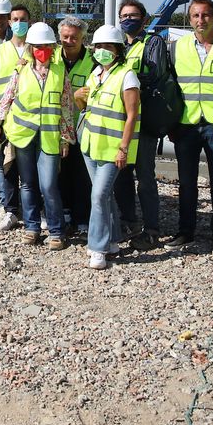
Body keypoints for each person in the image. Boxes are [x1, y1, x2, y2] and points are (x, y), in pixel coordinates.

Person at [0, 22, 76, 250]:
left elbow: (66, 106)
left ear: (53, 47)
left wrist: (66, 137)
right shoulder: (21, 70)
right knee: (27, 184)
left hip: (49, 137)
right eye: (38, 46)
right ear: (30, 47)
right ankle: (32, 227)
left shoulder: (59, 72)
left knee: (48, 185)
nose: (42, 50)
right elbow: (7, 98)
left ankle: (56, 231)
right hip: (23, 135)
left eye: (47, 46)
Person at [167, 0, 213, 254]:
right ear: (189, 18)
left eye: (205, 15)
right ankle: (186, 231)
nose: (200, 20)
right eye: (195, 15)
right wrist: (172, 123)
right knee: (186, 182)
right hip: (187, 124)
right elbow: (172, 85)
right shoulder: (178, 46)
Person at [75, 25, 139, 269]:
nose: (102, 50)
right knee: (104, 195)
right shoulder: (97, 74)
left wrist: (124, 148)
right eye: (99, 46)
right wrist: (78, 97)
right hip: (91, 144)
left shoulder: (127, 76)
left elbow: (131, 116)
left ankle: (98, 247)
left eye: (108, 47)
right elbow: (86, 106)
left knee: (99, 195)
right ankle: (112, 240)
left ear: (118, 50)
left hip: (113, 149)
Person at [113, 0, 169, 250]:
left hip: (144, 121)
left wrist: (127, 82)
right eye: (124, 15)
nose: (128, 19)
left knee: (145, 176)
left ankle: (152, 228)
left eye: (133, 15)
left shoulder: (152, 42)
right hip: (121, 121)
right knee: (122, 175)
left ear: (144, 19)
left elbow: (154, 74)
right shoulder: (120, 46)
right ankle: (129, 221)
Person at [0, 2, 27, 230]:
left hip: (28, 116)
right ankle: (8, 207)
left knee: (28, 166)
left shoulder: (35, 48)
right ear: (10, 22)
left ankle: (31, 209)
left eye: (23, 19)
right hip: (4, 116)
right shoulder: (0, 50)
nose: (19, 23)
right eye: (16, 19)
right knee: (4, 164)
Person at [56, 15, 95, 236]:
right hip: (58, 126)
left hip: (83, 127)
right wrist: (73, 96)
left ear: (82, 38)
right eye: (65, 37)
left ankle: (82, 219)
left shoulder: (93, 61)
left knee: (82, 174)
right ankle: (65, 212)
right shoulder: (52, 58)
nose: (69, 41)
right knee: (61, 172)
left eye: (74, 38)